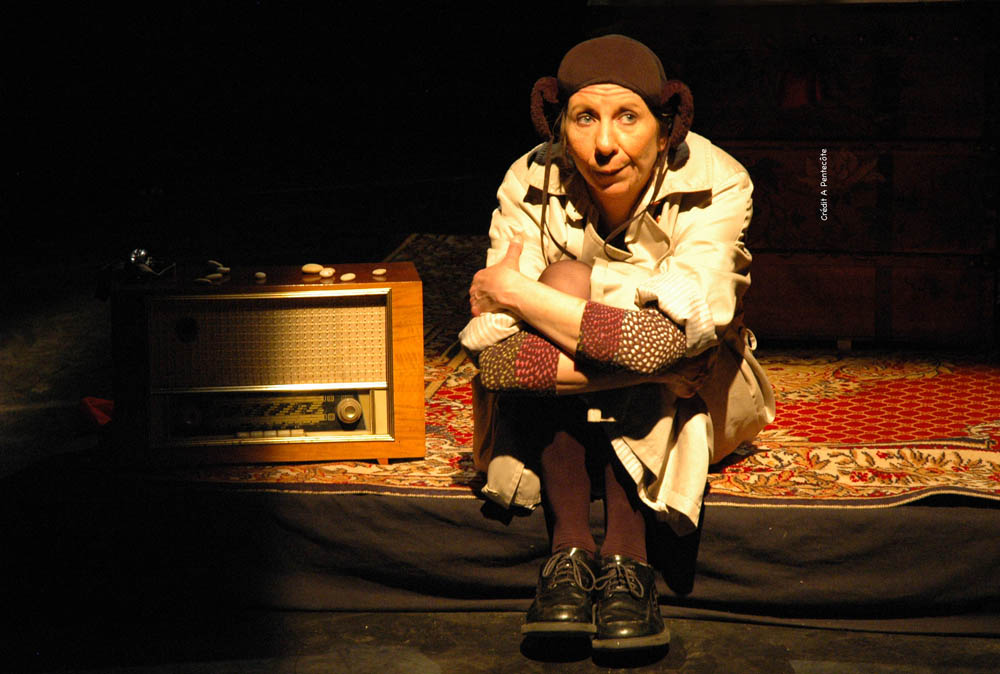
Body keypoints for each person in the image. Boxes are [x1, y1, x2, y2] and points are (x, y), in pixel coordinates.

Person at [459, 34, 775, 651]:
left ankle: (629, 556)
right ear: (559, 123)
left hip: (697, 398)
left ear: (666, 126)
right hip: (645, 383)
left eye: (628, 117)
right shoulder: (527, 178)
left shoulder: (722, 180)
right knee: (570, 282)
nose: (604, 144)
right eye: (585, 118)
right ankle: (571, 550)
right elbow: (495, 359)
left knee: (567, 286)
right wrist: (649, 357)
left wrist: (520, 295)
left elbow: (684, 335)